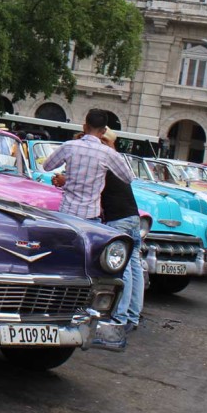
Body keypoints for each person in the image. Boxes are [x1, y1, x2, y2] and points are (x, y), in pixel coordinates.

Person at [42, 108, 134, 220]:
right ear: (104, 131)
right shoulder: (107, 153)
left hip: (67, 210)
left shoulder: (69, 146)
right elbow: (128, 178)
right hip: (90, 214)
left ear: (84, 127)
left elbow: (47, 166)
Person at [99, 129, 143, 340]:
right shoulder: (119, 161)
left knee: (122, 267)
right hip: (133, 216)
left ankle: (120, 317)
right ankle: (133, 315)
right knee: (134, 266)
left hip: (118, 218)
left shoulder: (105, 161)